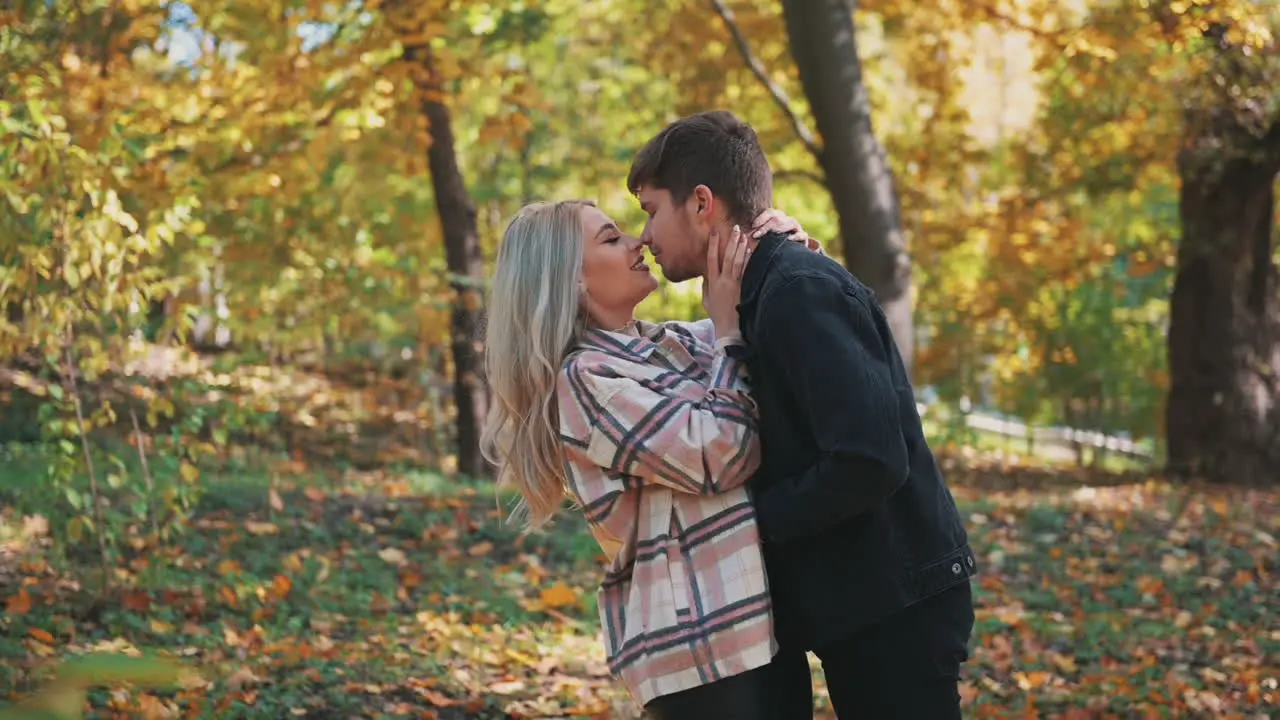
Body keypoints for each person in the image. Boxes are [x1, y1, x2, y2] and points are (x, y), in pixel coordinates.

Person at [626, 110, 979, 719]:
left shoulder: (796, 289)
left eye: (650, 210)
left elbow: (869, 460)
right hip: (850, 599)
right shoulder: (749, 298)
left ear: (702, 203)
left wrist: (745, 523)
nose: (645, 237)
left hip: (895, 600)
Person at [479, 199, 818, 718]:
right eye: (611, 239)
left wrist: (777, 242)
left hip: (756, 624)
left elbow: (776, 326)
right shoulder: (587, 380)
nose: (638, 241)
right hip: (698, 649)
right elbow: (720, 455)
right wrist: (728, 336)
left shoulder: (668, 344)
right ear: (571, 280)